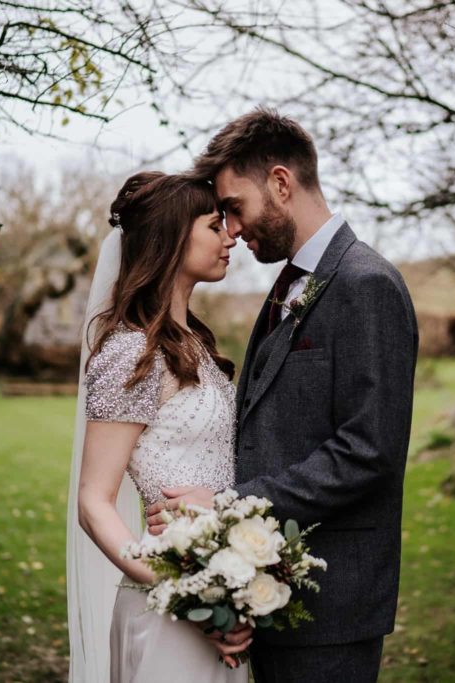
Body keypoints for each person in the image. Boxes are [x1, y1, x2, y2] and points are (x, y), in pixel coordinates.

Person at [145, 108, 419, 683]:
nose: (233, 229)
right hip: (267, 591)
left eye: (234, 208)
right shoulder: (289, 286)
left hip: (331, 604)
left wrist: (228, 505)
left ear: (280, 182)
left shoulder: (366, 284)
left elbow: (369, 449)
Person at [66, 171, 251, 682]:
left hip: (220, 588)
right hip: (167, 607)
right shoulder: (131, 353)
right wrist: (190, 597)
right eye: (216, 225)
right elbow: (92, 502)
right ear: (173, 239)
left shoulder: (196, 346)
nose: (231, 235)